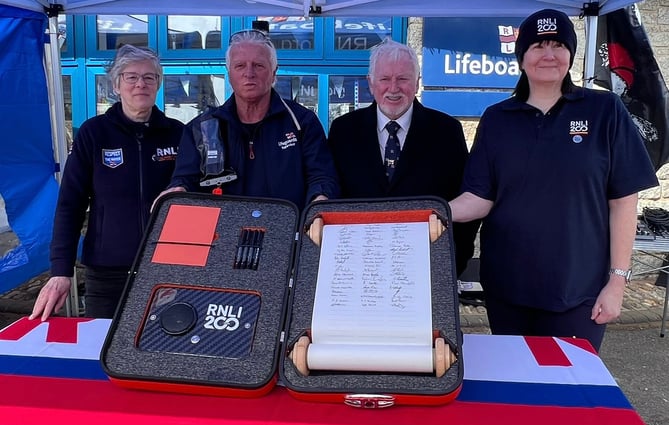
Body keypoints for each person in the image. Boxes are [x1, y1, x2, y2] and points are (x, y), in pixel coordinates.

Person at [448, 9, 659, 351]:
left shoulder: (604, 110)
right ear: (522, 57)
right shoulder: (497, 119)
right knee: (520, 389)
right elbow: (479, 197)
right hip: (508, 290)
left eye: (558, 45)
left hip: (578, 292)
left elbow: (623, 200)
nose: (548, 54)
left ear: (570, 55)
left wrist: (617, 281)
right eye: (538, 45)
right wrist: (432, 211)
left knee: (571, 395)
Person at [30, 45, 184, 321]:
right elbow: (70, 205)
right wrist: (61, 271)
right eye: (131, 76)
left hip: (166, 270)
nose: (141, 84)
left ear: (158, 84)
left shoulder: (177, 134)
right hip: (107, 271)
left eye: (149, 77)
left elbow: (195, 199)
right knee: (100, 354)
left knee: (163, 355)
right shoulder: (94, 133)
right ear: (116, 85)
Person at [327, 38, 479, 277]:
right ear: (371, 83)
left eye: (403, 79)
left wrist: (454, 262)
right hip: (357, 270)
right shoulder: (343, 130)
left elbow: (465, 198)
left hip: (427, 269)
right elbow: (333, 197)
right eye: (385, 79)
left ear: (417, 83)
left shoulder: (447, 131)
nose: (393, 88)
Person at [158, 29, 339, 210]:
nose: (249, 73)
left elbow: (321, 177)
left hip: (288, 233)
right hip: (221, 235)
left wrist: (320, 200)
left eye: (258, 65)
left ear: (274, 72)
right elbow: (185, 180)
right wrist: (178, 189)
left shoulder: (302, 122)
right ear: (229, 73)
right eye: (240, 66)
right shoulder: (201, 128)